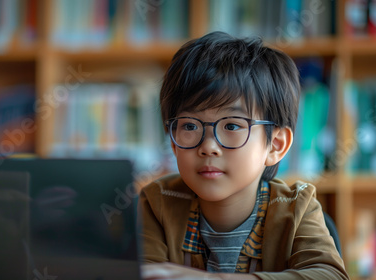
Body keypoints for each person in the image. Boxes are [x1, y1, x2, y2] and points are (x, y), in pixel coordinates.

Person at [138, 31, 349, 280]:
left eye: (231, 126)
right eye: (190, 126)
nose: (209, 147)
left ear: (275, 146)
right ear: (173, 143)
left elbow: (330, 276)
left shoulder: (297, 209)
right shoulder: (157, 203)